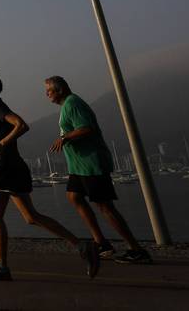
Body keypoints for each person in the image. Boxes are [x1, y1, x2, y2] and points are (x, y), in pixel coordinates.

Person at [0, 72, 99, 281]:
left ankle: (1, 266)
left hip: (4, 168)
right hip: (13, 166)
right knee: (31, 217)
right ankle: (83, 246)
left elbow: (21, 125)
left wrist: (2, 144)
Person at [46, 75, 153, 264]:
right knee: (74, 197)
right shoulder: (66, 106)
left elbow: (87, 128)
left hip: (91, 163)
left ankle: (136, 249)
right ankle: (101, 243)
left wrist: (65, 138)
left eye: (49, 91)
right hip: (78, 166)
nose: (46, 95)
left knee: (104, 206)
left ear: (60, 90)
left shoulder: (73, 103)